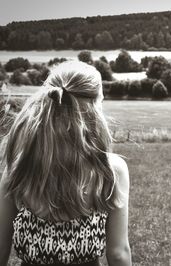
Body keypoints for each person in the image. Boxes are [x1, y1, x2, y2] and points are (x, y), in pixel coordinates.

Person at [0, 61, 132, 266]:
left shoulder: (19, 168)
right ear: (94, 108)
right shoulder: (110, 170)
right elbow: (118, 253)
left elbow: (1, 247)